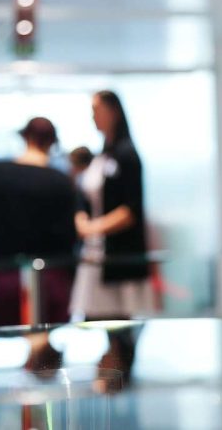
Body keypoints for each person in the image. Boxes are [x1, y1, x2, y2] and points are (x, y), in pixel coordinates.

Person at [0, 117, 77, 327]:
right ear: (52, 142)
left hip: (4, 275)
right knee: (47, 351)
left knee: (3, 345)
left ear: (25, 137)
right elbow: (69, 236)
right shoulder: (61, 181)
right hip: (50, 278)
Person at [70, 90, 151, 320]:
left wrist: (94, 228)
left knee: (118, 325)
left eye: (96, 111)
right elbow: (84, 199)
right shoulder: (102, 155)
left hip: (118, 256)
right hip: (95, 251)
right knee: (94, 320)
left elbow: (131, 209)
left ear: (113, 111)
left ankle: (119, 357)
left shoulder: (127, 155)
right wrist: (82, 219)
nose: (93, 117)